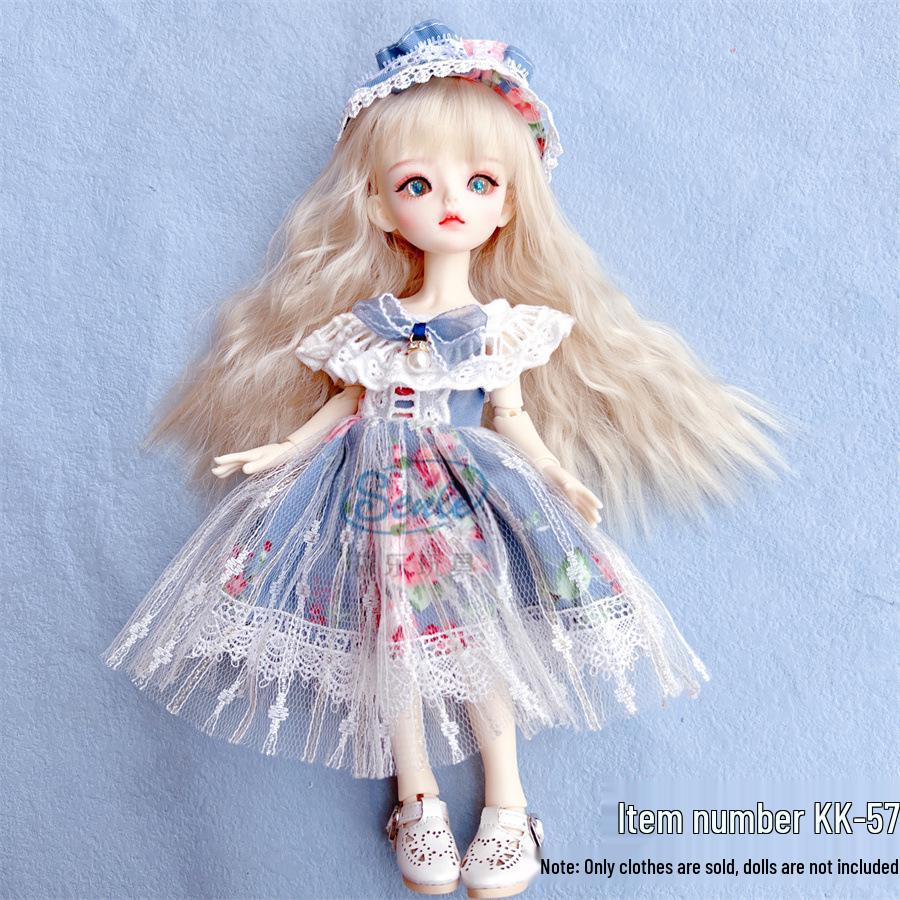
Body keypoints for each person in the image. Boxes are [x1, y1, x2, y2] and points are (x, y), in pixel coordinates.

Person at [102, 19, 786, 898]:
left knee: (479, 642)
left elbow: (511, 415)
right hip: (368, 496)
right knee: (390, 641)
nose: (451, 202)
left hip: (462, 493)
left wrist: (557, 474)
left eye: (481, 182)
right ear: (380, 206)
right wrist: (284, 446)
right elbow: (347, 404)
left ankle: (508, 803)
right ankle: (415, 797)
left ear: (510, 204)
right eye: (418, 184)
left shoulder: (503, 329)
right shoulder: (368, 329)